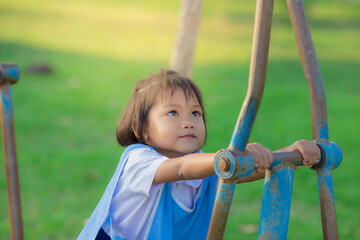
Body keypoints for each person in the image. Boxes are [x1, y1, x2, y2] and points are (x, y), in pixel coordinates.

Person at [77, 69, 320, 240]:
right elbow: (182, 168)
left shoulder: (206, 166)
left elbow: (241, 172)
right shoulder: (137, 161)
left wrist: (288, 153)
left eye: (196, 113)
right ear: (142, 129)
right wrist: (230, 157)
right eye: (173, 113)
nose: (188, 122)